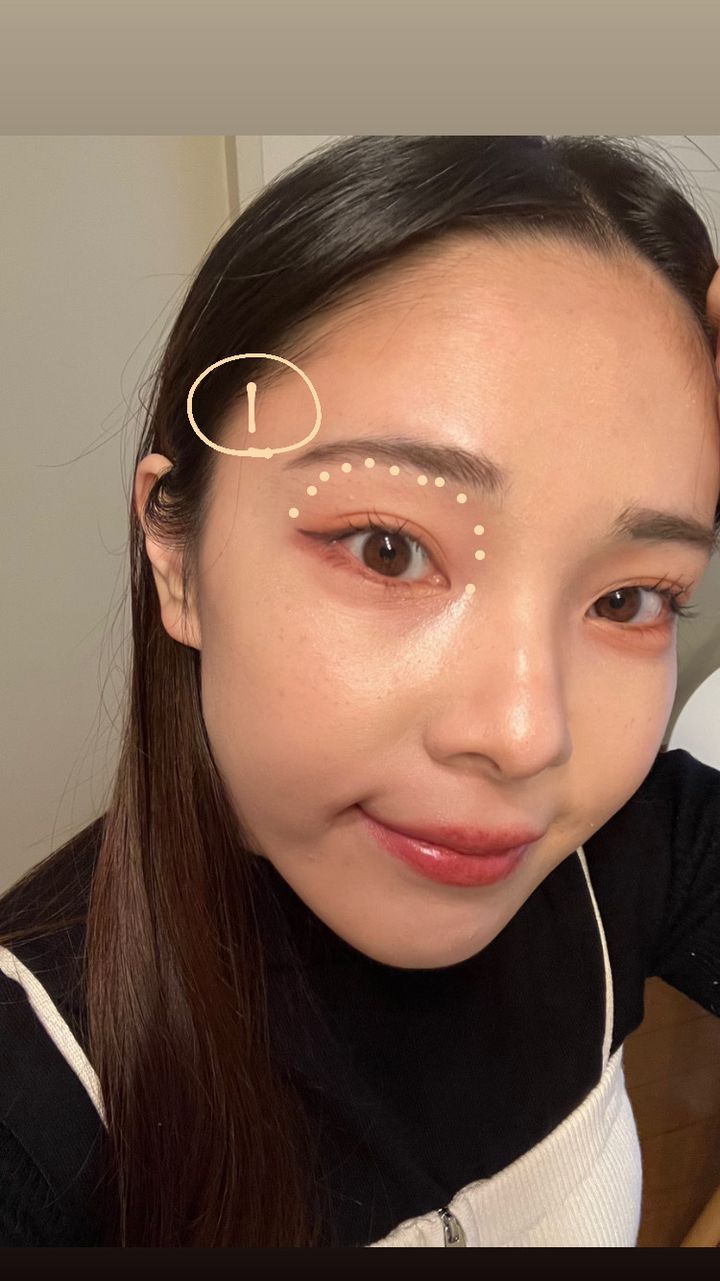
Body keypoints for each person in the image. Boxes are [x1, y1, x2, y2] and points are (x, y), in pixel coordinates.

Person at [1, 134, 720, 1248]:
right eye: (389, 548)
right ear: (177, 559)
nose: (526, 734)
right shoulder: (35, 1099)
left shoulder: (632, 847)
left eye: (629, 599)